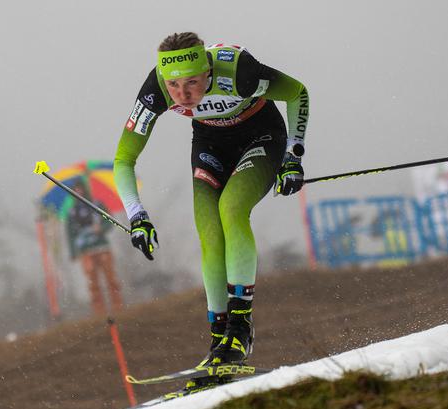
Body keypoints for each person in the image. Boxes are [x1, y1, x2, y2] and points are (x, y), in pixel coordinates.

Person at [112, 32, 309, 371]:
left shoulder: (238, 72)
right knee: (208, 229)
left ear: (207, 71)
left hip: (261, 135)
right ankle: (220, 336)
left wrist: (293, 157)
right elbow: (124, 160)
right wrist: (137, 216)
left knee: (231, 208)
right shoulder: (155, 88)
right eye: (174, 86)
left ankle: (240, 327)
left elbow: (297, 93)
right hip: (210, 143)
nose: (183, 95)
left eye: (191, 83)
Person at [66, 179, 123, 315]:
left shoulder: (97, 205)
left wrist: (101, 228)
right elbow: (70, 234)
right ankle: (99, 311)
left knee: (110, 278)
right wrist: (73, 252)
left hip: (102, 247)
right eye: (75, 190)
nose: (78, 192)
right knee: (93, 283)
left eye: (80, 189)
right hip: (85, 251)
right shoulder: (72, 213)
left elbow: (110, 221)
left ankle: (118, 306)